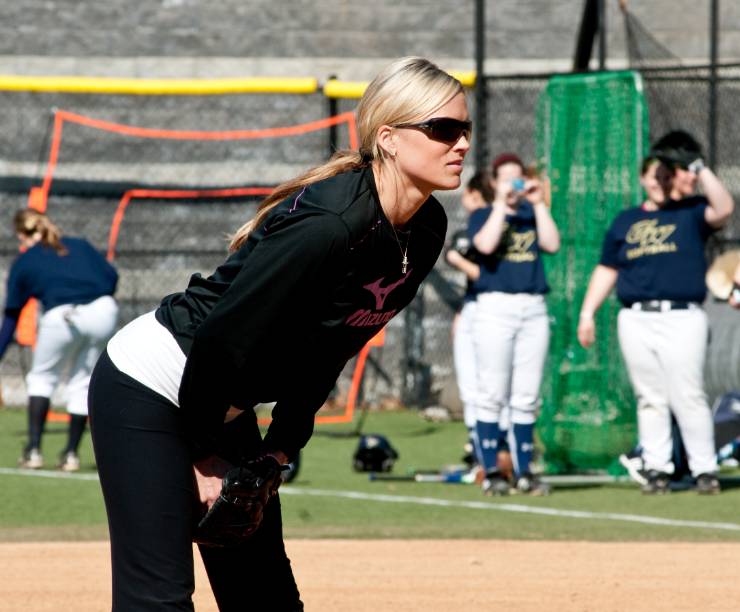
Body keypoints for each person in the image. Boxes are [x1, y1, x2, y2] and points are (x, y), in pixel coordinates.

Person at [88, 56, 470, 611]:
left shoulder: (425, 229)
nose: (459, 143)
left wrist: (279, 450)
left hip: (224, 400)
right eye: (442, 129)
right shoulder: (329, 227)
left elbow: (335, 346)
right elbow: (222, 338)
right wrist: (204, 455)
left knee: (264, 594)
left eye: (464, 128)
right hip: (156, 382)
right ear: (387, 137)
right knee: (159, 597)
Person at [577, 130, 734, 495]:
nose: (660, 181)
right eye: (654, 175)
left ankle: (704, 469)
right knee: (650, 397)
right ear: (643, 179)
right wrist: (587, 313)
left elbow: (724, 207)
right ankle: (657, 468)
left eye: (667, 175)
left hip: (682, 316)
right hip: (635, 316)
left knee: (688, 393)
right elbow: (607, 269)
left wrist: (698, 166)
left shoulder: (691, 211)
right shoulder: (625, 220)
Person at [467, 153, 560, 496]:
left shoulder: (531, 215)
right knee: (492, 392)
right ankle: (490, 469)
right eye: (507, 179)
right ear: (493, 182)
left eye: (518, 178)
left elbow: (553, 244)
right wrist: (503, 205)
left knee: (526, 395)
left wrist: (537, 203)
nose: (514, 185)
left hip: (532, 307)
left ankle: (524, 472)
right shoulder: (483, 215)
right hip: (495, 307)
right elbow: (485, 245)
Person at [0, 209, 118, 471]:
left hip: (61, 316)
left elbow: (11, 316)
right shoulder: (80, 245)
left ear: (22, 235)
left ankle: (33, 450)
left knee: (42, 377)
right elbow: (112, 277)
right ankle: (71, 455)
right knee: (83, 381)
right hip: (103, 310)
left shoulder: (26, 260)